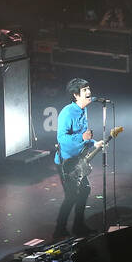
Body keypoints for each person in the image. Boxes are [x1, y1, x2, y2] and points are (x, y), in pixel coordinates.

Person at [53, 78, 95, 239]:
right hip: (67, 162)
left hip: (78, 160)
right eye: (85, 90)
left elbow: (84, 138)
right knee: (71, 196)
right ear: (76, 95)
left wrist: (93, 143)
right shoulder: (67, 112)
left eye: (88, 88)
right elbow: (62, 138)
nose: (89, 92)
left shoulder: (83, 110)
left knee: (85, 190)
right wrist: (82, 137)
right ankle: (59, 229)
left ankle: (78, 225)